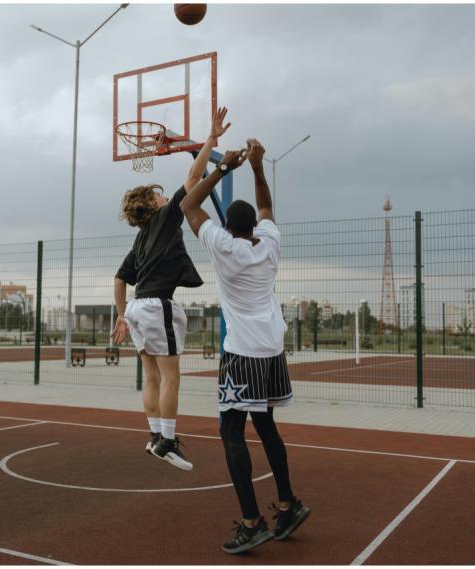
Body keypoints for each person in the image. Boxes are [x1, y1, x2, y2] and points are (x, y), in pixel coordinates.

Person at [180, 138, 311, 553]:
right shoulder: (269, 244)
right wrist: (256, 167)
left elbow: (188, 205)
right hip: (272, 351)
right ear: (253, 226)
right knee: (267, 426)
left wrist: (221, 170)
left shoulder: (222, 246)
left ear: (229, 226)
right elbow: (268, 207)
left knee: (230, 431)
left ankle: (253, 521)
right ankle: (288, 504)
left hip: (241, 355)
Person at [111, 108, 232, 471]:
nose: (165, 198)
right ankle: (167, 440)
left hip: (136, 308)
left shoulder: (140, 240)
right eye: (159, 196)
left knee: (150, 375)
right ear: (152, 206)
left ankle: (154, 436)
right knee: (171, 377)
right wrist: (210, 140)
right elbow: (195, 175)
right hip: (155, 306)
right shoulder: (163, 219)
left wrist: (120, 315)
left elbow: (119, 278)